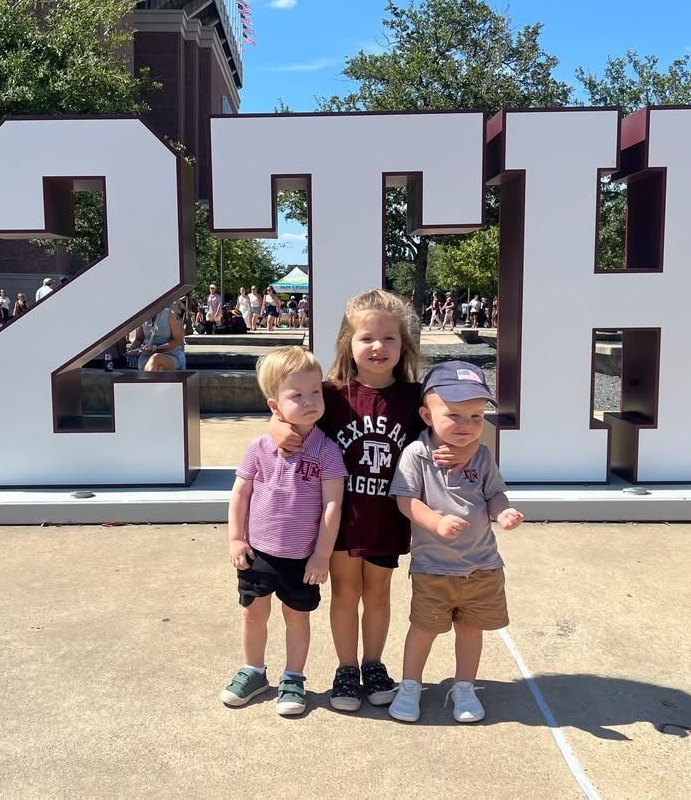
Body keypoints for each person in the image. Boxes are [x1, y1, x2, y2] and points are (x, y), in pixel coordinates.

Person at [268, 289, 470, 711]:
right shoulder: (330, 394)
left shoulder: (417, 399)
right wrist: (275, 427)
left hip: (388, 517)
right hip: (339, 519)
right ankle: (346, 669)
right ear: (349, 343)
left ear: (404, 344)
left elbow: (461, 423)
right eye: (367, 338)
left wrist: (462, 451)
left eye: (389, 338)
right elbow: (286, 402)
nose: (378, 347)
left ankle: (374, 664)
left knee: (378, 594)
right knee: (344, 593)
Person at [387, 361, 524, 723]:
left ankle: (464, 686)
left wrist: (504, 512)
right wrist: (435, 521)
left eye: (476, 417)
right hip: (434, 567)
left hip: (482, 565)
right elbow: (405, 500)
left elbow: (494, 493)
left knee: (470, 629)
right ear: (427, 415)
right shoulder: (417, 454)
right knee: (424, 629)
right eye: (455, 415)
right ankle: (410, 685)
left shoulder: (482, 455)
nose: (467, 425)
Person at [221, 346, 347, 716]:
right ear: (275, 406)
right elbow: (241, 492)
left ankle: (294, 677)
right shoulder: (259, 446)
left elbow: (332, 504)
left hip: (302, 558)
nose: (309, 401)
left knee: (297, 617)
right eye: (297, 395)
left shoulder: (327, 451)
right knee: (253, 614)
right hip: (258, 551)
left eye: (315, 392)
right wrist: (235, 537)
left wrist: (322, 553)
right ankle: (254, 670)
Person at [130, 303, 186, 371]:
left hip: (171, 354)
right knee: (159, 368)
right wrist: (133, 347)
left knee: (156, 358)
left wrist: (156, 348)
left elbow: (178, 341)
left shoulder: (171, 315)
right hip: (147, 356)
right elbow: (139, 339)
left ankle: (145, 380)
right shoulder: (142, 316)